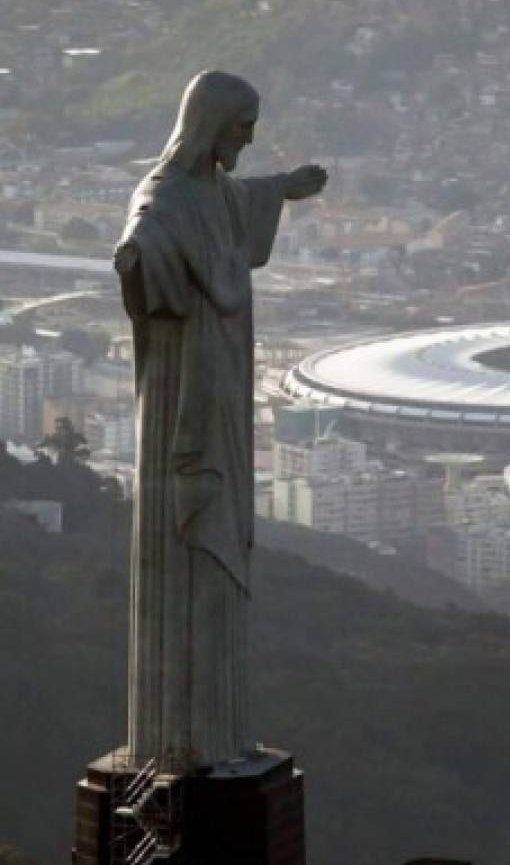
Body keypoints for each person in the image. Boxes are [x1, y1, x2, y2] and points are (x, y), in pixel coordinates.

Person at [114, 71, 326, 768]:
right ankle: (180, 744)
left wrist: (281, 188)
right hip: (184, 393)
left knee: (223, 549)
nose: (249, 139)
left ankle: (219, 735)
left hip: (224, 386)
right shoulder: (165, 198)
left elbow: (237, 202)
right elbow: (147, 233)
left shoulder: (211, 192)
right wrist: (137, 255)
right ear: (210, 124)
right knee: (186, 547)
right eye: (241, 128)